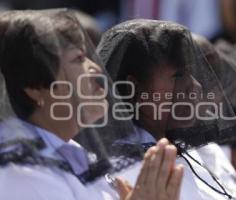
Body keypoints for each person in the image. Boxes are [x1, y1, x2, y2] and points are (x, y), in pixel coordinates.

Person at [0, 9, 184, 200]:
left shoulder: (72, 156)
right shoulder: (23, 172)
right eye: (78, 59)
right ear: (34, 87)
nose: (95, 68)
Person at [97, 19, 236, 199]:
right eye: (179, 76)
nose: (195, 86)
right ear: (134, 88)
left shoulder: (193, 152)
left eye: (191, 73)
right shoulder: (123, 170)